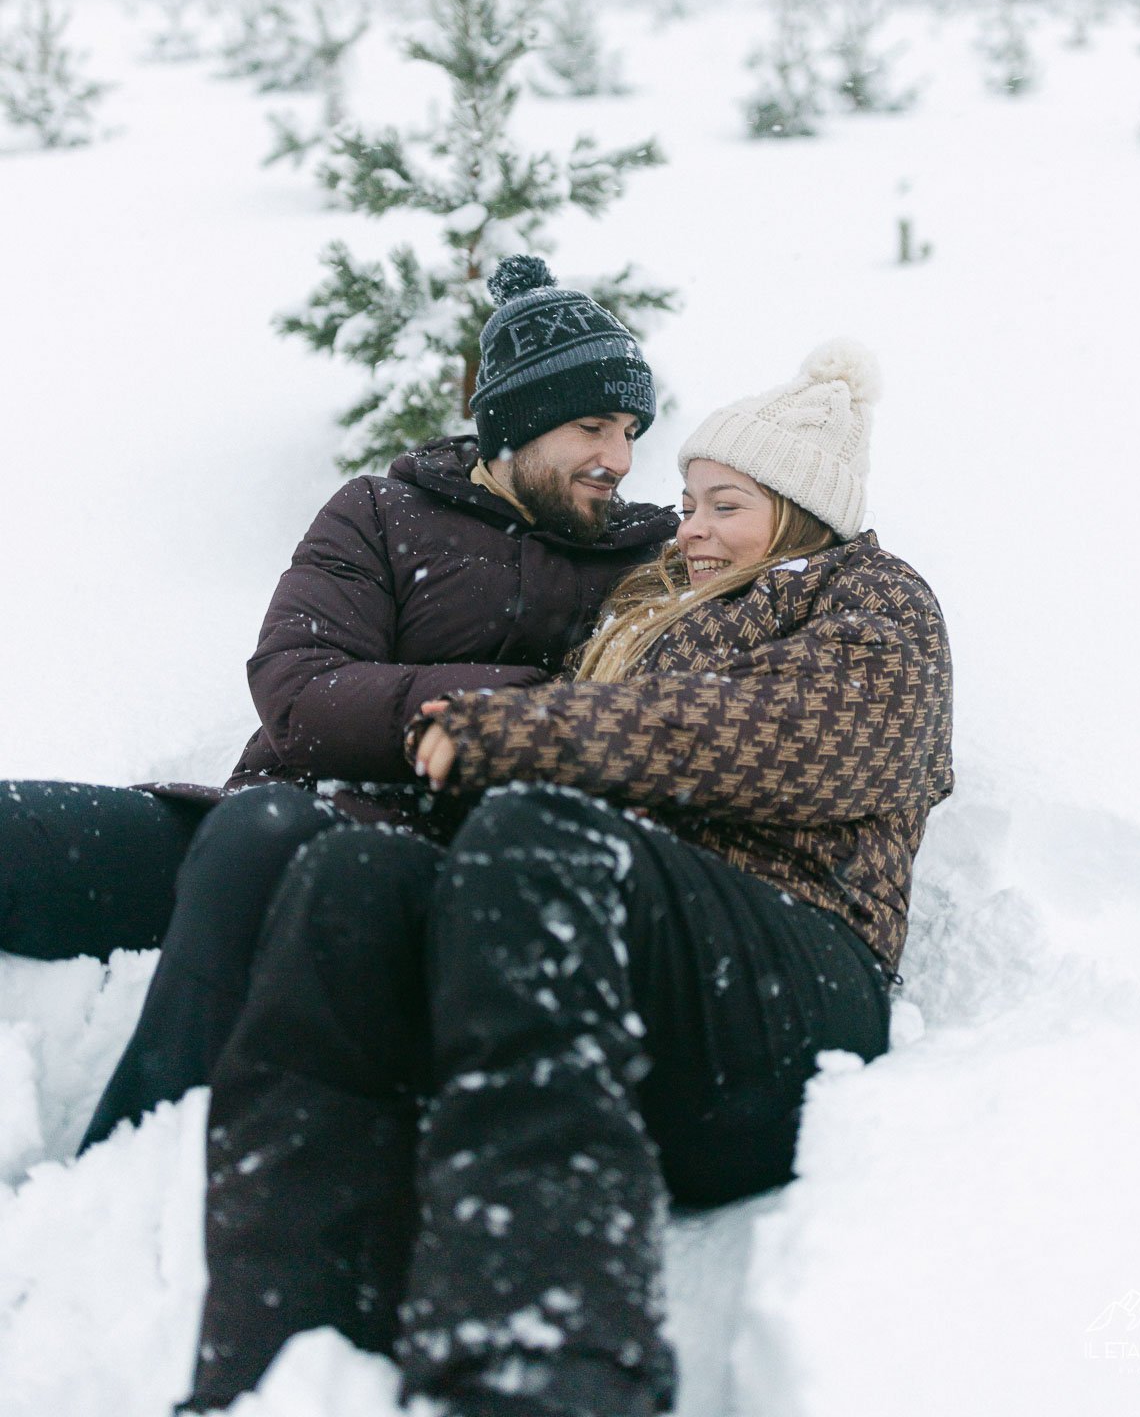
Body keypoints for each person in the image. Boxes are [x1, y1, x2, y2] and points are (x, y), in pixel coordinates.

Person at [183, 339, 954, 1417]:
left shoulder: (871, 601)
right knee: (355, 878)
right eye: (684, 504)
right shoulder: (656, 610)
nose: (688, 530)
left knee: (542, 839)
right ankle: (276, 1364)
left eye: (723, 505)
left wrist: (514, 733)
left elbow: (751, 734)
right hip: (618, 983)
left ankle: (545, 1370)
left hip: (787, 990)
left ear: (800, 510)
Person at [0, 255, 675, 1147]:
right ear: (516, 423)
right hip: (257, 818)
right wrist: (525, 698)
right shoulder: (382, 511)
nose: (618, 459)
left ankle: (132, 1170)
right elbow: (301, 693)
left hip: (407, 876)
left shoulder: (651, 560)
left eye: (630, 430)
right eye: (593, 426)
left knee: (267, 844)